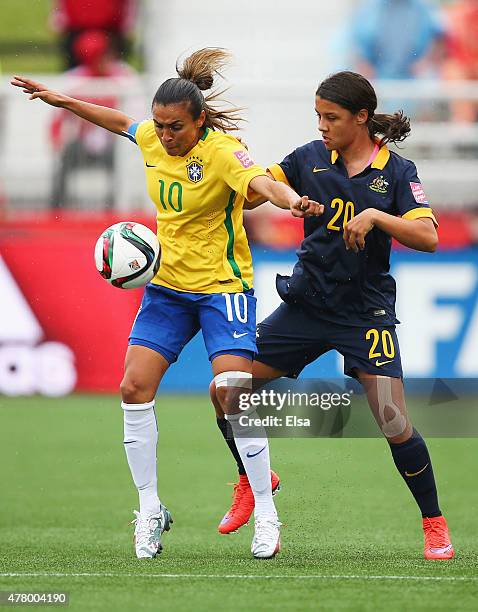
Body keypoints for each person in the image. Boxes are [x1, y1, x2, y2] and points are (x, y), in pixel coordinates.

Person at [11, 48, 322, 560]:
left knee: (232, 392)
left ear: (199, 122)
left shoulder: (223, 152)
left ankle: (267, 513)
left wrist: (291, 202)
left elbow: (261, 184)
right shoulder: (152, 136)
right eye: (160, 125)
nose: (165, 135)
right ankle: (150, 508)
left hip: (224, 287)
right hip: (168, 287)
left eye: (175, 127)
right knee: (133, 387)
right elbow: (120, 123)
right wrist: (64, 101)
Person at [211, 71, 454, 560]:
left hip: (365, 315)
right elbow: (254, 192)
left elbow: (428, 237)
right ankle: (252, 477)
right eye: (318, 116)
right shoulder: (308, 158)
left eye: (331, 117)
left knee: (392, 420)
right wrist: (238, 165)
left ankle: (434, 523)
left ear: (361, 117)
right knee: (227, 389)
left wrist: (377, 217)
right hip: (306, 306)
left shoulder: (398, 173)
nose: (322, 126)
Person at [49, 29, 139, 208]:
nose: (105, 58)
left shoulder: (124, 76)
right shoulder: (75, 80)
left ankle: (112, 208)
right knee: (65, 159)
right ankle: (57, 207)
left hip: (114, 141)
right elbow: (58, 119)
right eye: (100, 55)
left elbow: (136, 114)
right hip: (82, 142)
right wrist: (57, 140)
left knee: (120, 163)